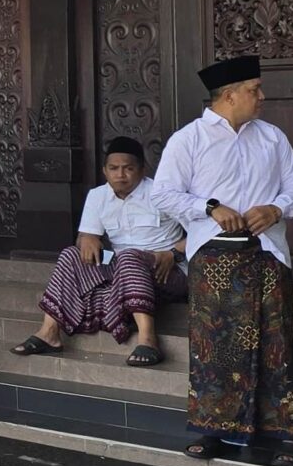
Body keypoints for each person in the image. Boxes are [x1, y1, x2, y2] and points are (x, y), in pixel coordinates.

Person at [150, 55, 293, 466]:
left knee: (278, 341)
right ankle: (211, 430)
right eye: (254, 89)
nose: (262, 96)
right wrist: (209, 208)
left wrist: (276, 209)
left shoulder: (271, 136)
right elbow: (163, 195)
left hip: (268, 253)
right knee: (215, 347)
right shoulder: (188, 140)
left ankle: (287, 432)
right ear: (229, 95)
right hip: (215, 256)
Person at [15, 137, 183, 367]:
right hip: (121, 267)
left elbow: (201, 232)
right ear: (105, 171)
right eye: (113, 169)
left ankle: (148, 339)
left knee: (129, 256)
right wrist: (88, 238)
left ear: (142, 170)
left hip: (165, 269)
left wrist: (173, 253)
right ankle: (49, 333)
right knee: (70, 254)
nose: (120, 175)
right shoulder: (97, 196)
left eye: (128, 168)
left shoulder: (162, 194)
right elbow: (84, 240)